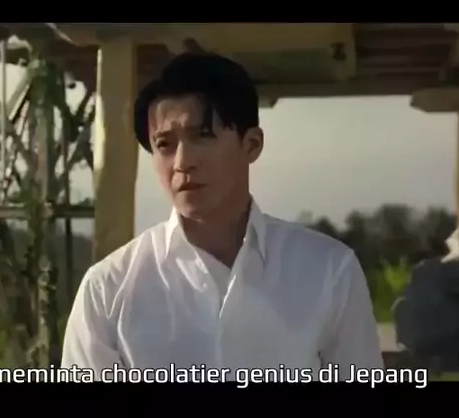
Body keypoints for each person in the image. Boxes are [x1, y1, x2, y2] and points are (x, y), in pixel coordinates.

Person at [61, 51, 383, 382]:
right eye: (165, 144)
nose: (183, 162)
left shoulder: (328, 271)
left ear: (252, 144)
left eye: (203, 135)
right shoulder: (108, 289)